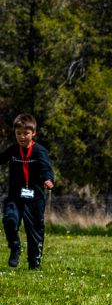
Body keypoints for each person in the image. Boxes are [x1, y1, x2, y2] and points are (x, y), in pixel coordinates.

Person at [2, 114, 55, 270]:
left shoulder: (39, 151)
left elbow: (46, 168)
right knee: (9, 220)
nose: (22, 137)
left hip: (35, 198)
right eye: (18, 133)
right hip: (15, 196)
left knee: (35, 231)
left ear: (33, 134)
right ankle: (15, 247)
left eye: (26, 133)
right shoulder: (13, 151)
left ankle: (34, 262)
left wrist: (48, 180)